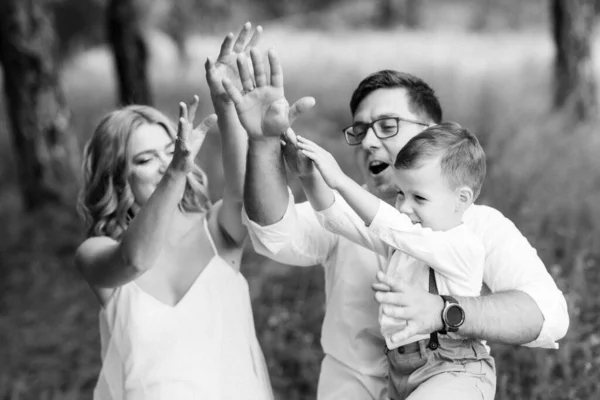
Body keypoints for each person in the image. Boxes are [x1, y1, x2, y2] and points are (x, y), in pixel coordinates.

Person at [225, 57, 569, 400]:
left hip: (447, 374)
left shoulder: (474, 229)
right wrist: (264, 143)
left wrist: (446, 312)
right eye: (359, 131)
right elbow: (275, 234)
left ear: (433, 133)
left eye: (387, 125)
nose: (369, 142)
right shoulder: (365, 218)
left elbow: (548, 314)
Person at [75, 24, 275, 399]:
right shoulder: (95, 253)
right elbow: (135, 260)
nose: (166, 164)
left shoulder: (217, 230)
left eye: (171, 150)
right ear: (118, 179)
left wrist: (226, 100)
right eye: (146, 159)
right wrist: (176, 170)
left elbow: (241, 188)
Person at [294, 122, 494, 399]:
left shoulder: (462, 246)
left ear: (461, 199)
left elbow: (392, 227)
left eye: (419, 198)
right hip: (402, 374)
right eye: (401, 193)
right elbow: (341, 220)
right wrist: (308, 175)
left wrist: (339, 179)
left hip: (454, 370)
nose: (404, 207)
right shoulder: (403, 244)